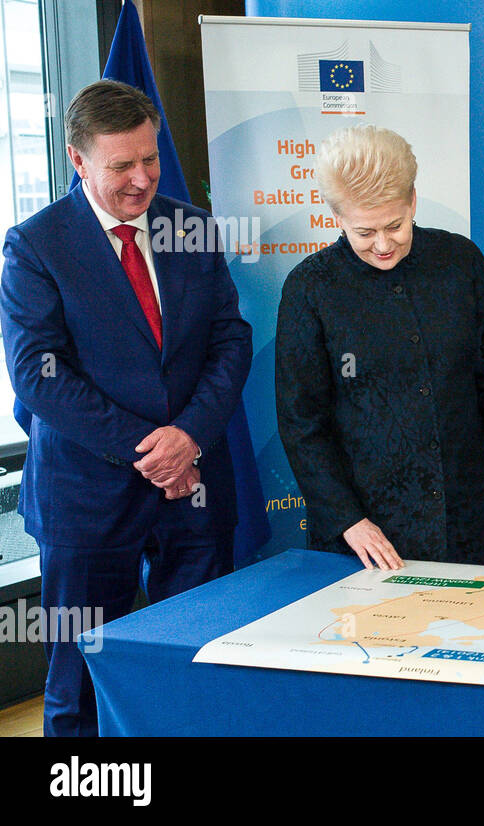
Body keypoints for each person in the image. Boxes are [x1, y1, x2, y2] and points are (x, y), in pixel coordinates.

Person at [0, 80, 253, 736]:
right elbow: (39, 377)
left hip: (193, 493)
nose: (142, 179)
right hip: (87, 502)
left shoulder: (191, 225)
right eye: (122, 166)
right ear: (77, 160)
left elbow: (230, 338)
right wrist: (157, 450)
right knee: (80, 683)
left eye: (151, 159)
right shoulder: (35, 246)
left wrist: (190, 436)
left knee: (193, 666)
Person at [276, 124, 484, 570]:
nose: (384, 245)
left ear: (413, 200)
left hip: (463, 513)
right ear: (337, 217)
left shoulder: (460, 261)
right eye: (364, 232)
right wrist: (348, 519)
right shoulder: (310, 287)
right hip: (364, 531)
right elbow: (301, 421)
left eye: (395, 225)